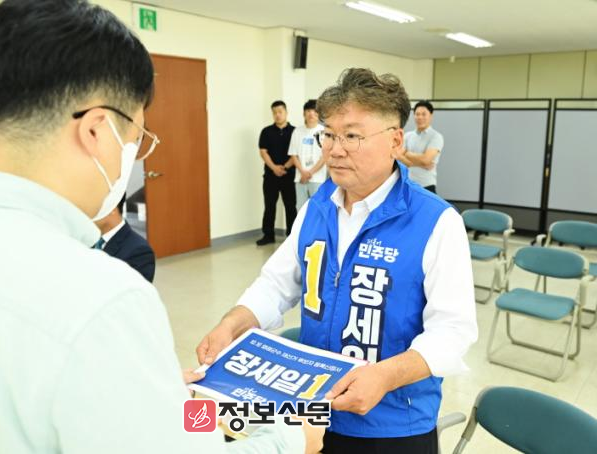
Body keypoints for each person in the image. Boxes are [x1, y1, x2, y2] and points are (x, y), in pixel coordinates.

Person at [0, 1, 323, 453]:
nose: (132, 159)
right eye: (134, 140)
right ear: (95, 130)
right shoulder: (100, 297)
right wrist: (289, 439)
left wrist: (139, 391)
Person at [197, 68, 477, 454]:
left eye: (352, 136)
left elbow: (454, 331)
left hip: (391, 423)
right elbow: (276, 284)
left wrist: (385, 376)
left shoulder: (436, 222)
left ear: (395, 140)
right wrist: (233, 323)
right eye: (328, 134)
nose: (335, 149)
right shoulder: (317, 208)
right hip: (312, 413)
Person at [256, 100, 297, 246]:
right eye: (275, 113)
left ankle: (292, 236)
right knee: (269, 206)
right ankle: (268, 235)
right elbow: (263, 152)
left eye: (280, 112)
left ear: (286, 112)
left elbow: (296, 153)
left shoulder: (295, 132)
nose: (277, 115)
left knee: (290, 206)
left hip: (289, 175)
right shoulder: (266, 131)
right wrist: (274, 167)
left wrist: (284, 167)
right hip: (270, 176)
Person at [95, 194, 156, 283]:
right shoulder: (90, 240)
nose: (88, 212)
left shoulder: (139, 251)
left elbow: (134, 291)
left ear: (111, 208)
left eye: (94, 206)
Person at [394, 100, 444, 194]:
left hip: (426, 186)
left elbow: (426, 160)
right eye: (417, 114)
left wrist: (406, 153)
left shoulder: (436, 136)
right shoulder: (408, 136)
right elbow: (398, 156)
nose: (420, 117)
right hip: (407, 185)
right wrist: (421, 163)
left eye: (423, 114)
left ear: (431, 115)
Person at [288, 99, 326, 211]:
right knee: (301, 209)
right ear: (304, 113)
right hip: (300, 178)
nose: (311, 114)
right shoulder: (297, 131)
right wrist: (303, 172)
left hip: (317, 178)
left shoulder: (324, 132)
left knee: (317, 208)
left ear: (319, 114)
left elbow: (324, 157)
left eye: (314, 111)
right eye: (308, 111)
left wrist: (310, 173)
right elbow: (293, 155)